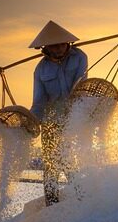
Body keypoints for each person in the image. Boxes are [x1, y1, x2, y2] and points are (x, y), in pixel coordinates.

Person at [29, 20, 88, 206]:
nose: (60, 48)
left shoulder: (79, 57)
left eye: (63, 43)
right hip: (51, 120)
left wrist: (72, 112)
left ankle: (82, 198)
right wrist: (31, 122)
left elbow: (80, 86)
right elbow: (38, 102)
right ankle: (52, 204)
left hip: (74, 116)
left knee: (69, 158)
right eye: (55, 45)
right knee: (51, 164)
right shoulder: (40, 69)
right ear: (46, 47)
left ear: (68, 43)